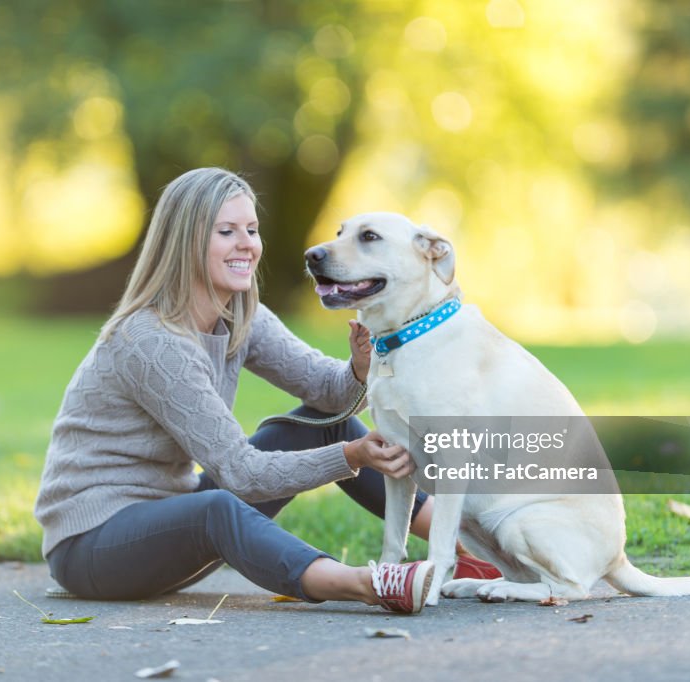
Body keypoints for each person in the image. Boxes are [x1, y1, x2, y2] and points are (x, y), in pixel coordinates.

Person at [33, 167, 496, 615]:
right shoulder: (151, 342)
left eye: (251, 230)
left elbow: (326, 392)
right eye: (226, 232)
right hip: (93, 547)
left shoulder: (239, 312)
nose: (246, 245)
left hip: (170, 521)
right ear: (185, 241)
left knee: (322, 424)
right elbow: (240, 473)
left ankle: (475, 548)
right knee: (214, 507)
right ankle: (370, 585)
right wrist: (352, 456)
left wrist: (358, 367)